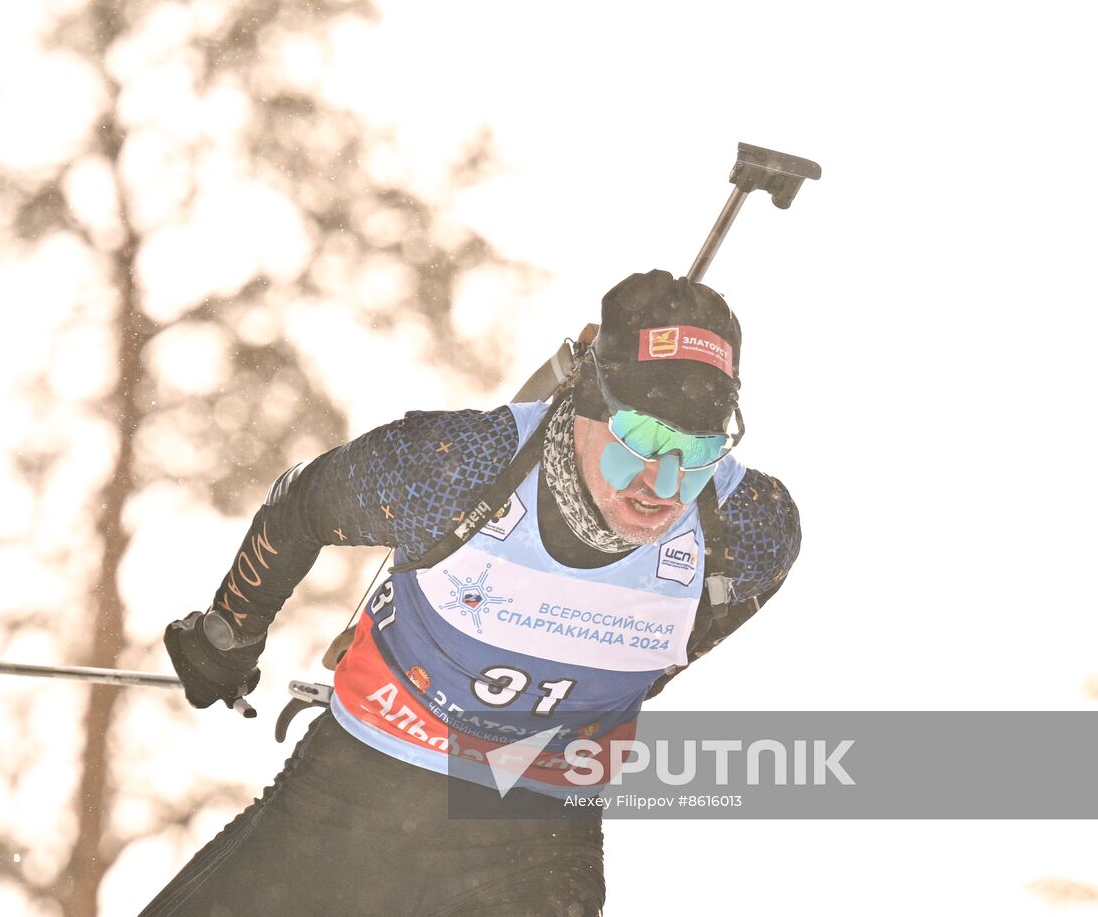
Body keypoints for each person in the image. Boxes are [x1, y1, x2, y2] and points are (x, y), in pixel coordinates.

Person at [140, 270, 802, 916]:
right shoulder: (457, 468)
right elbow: (304, 502)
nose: (665, 481)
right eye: (643, 440)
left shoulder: (751, 527)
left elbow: (674, 649)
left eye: (698, 449)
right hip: (359, 788)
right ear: (586, 404)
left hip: (533, 834)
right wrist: (229, 632)